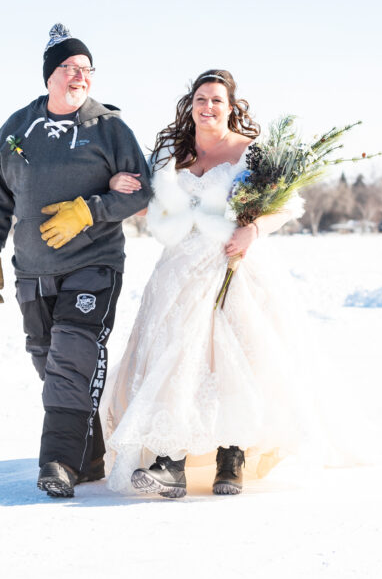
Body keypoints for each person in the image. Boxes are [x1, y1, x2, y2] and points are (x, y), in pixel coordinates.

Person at [102, 69, 316, 498]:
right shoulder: (171, 152)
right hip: (179, 269)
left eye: (217, 100)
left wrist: (253, 231)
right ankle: (170, 463)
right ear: (191, 104)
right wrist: (115, 185)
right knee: (175, 356)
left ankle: (231, 458)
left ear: (231, 107)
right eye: (201, 99)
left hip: (233, 263)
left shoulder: (251, 152)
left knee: (232, 359)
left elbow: (287, 204)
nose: (208, 107)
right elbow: (148, 204)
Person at [0, 23, 152, 498]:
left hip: (93, 264)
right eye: (70, 67)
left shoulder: (109, 128)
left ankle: (57, 462)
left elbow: (142, 191)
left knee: (72, 359)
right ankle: (88, 457)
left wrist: (89, 211)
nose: (80, 75)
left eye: (86, 68)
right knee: (49, 362)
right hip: (33, 270)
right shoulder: (17, 128)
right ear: (49, 75)